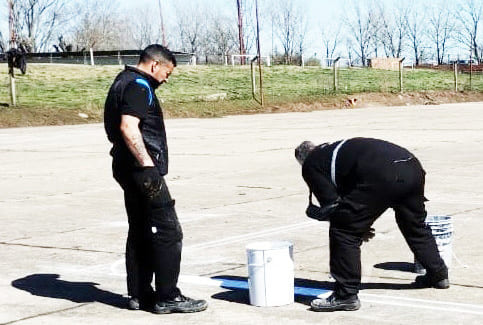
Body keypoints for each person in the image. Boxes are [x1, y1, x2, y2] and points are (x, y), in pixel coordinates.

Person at [104, 44, 207, 314]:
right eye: (167, 73)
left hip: (125, 167)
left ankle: (139, 294)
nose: (166, 79)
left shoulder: (121, 81)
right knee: (168, 231)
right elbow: (128, 126)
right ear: (154, 65)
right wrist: (148, 165)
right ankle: (167, 296)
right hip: (141, 171)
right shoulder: (140, 85)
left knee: (139, 229)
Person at [294, 137, 449, 312]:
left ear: (302, 160)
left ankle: (345, 296)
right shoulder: (332, 151)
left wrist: (356, 227)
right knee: (415, 224)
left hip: (382, 174)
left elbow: (333, 207)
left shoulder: (311, 164)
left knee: (343, 231)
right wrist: (361, 224)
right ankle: (438, 274)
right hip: (411, 166)